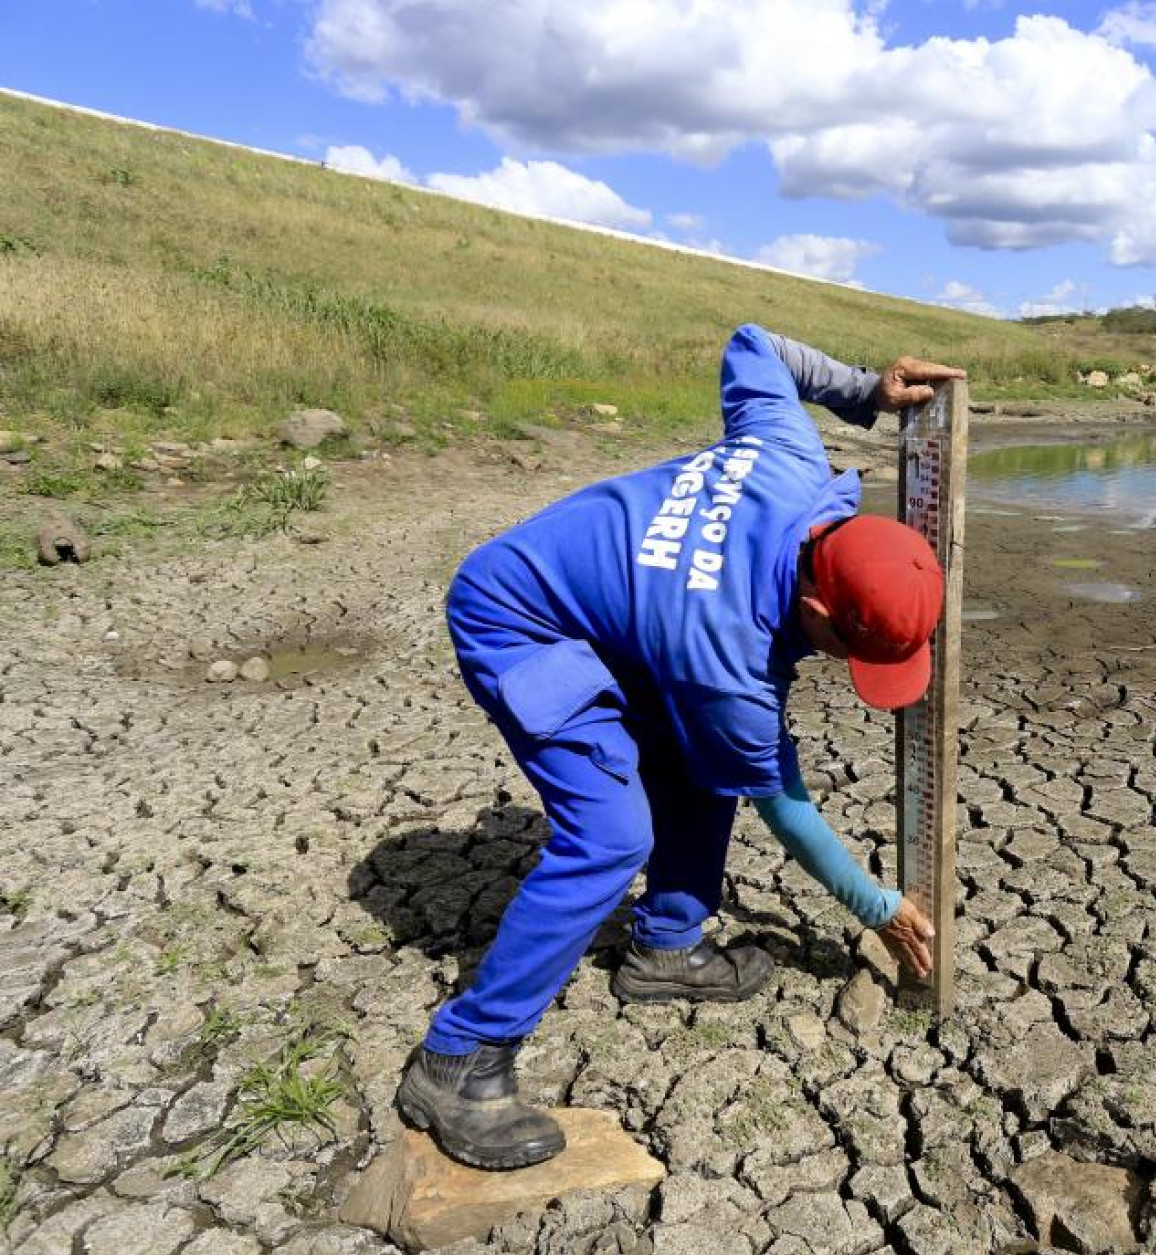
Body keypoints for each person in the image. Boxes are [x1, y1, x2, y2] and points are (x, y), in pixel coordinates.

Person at [395, 325, 965, 1170]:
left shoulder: (789, 458)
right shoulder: (729, 658)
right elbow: (787, 804)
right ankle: (460, 1057)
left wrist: (862, 393)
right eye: (857, 653)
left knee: (701, 770)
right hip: (518, 616)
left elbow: (755, 345)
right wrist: (877, 906)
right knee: (610, 834)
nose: (856, 671)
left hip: (623, 614)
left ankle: (665, 947)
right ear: (816, 611)